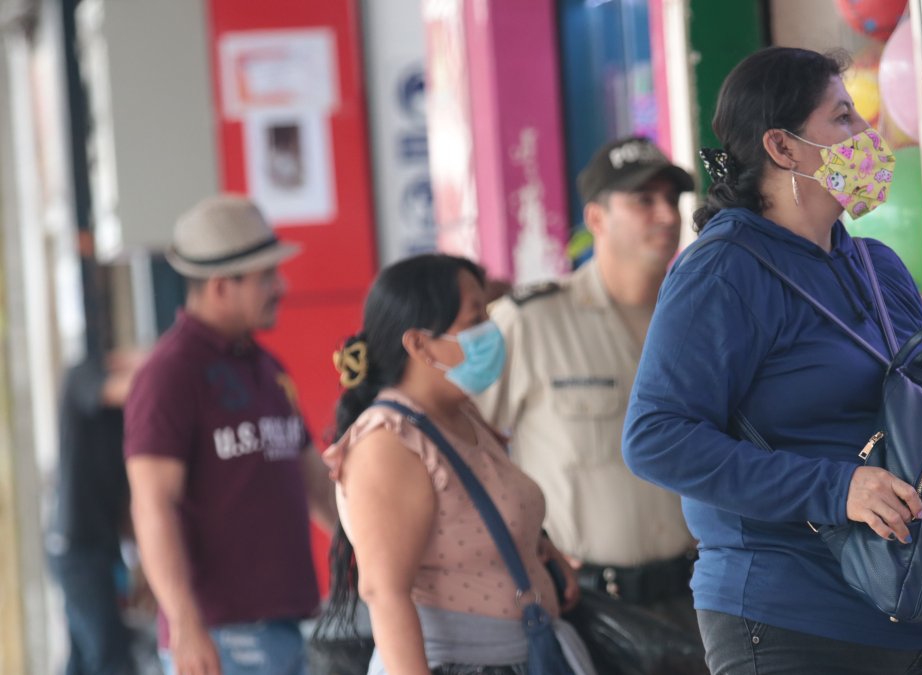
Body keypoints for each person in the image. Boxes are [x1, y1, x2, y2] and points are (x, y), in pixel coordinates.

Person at [621, 47, 922, 674]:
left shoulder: (876, 264)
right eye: (843, 119)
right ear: (782, 149)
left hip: (915, 612)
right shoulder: (722, 271)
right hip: (790, 620)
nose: (869, 135)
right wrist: (836, 488)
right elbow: (656, 438)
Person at [319, 254, 596, 675]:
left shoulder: (459, 415)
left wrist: (535, 548)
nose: (491, 330)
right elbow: (384, 592)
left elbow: (469, 519)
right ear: (419, 344)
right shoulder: (387, 443)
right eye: (475, 319)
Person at [474, 136, 699, 631]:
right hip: (585, 607)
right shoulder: (531, 321)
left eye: (672, 199)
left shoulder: (700, 319)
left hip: (697, 599)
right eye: (644, 200)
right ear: (596, 219)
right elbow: (463, 443)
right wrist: (520, 544)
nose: (666, 214)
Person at [124, 195, 337, 675]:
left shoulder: (265, 367)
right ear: (221, 286)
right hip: (220, 640)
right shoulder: (169, 374)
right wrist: (184, 623)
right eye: (265, 277)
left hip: (287, 628)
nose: (280, 286)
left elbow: (316, 487)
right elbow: (152, 504)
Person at [49, 349, 145, 675]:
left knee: (83, 660)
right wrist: (160, 363)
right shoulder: (83, 377)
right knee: (110, 658)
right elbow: (130, 386)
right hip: (77, 549)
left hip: (101, 551)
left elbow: (127, 506)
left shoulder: (121, 425)